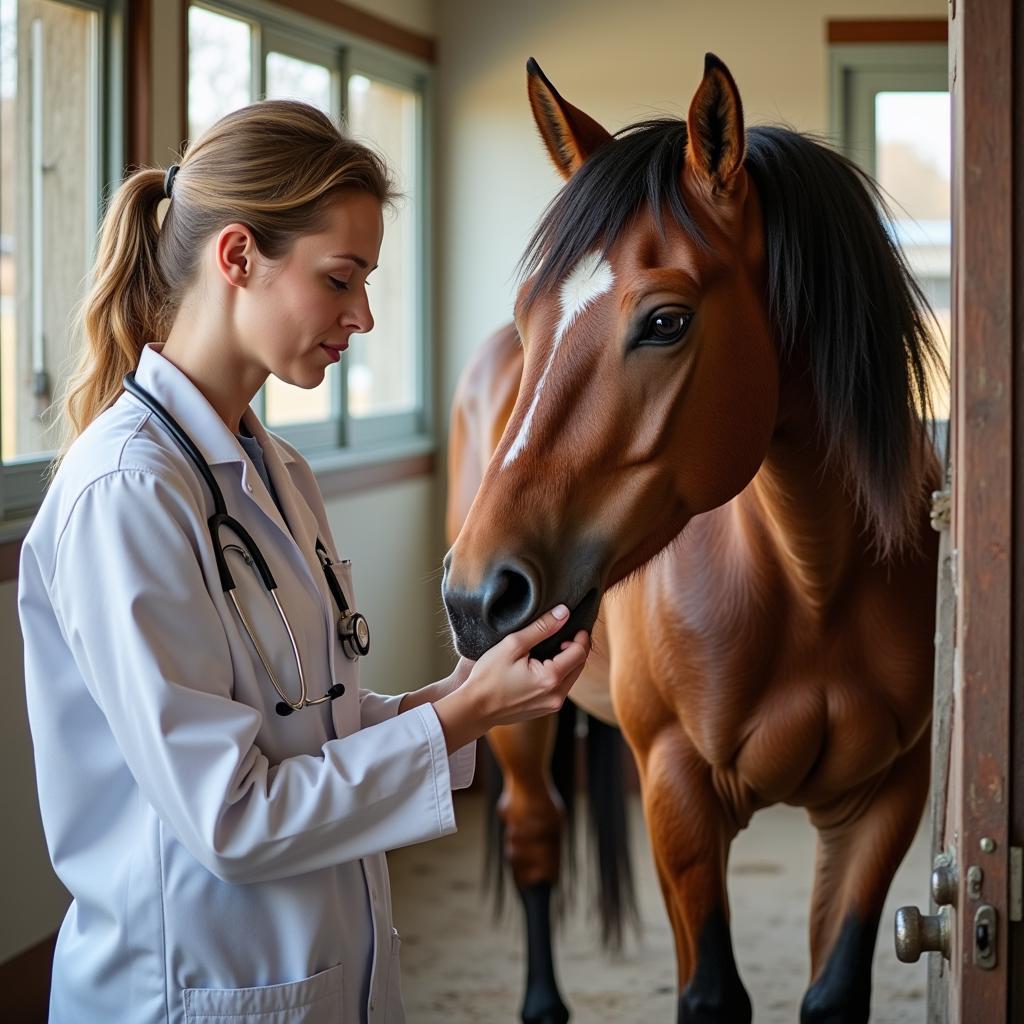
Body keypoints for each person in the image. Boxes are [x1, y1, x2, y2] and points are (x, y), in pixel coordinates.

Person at [17, 99, 591, 1024]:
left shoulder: (276, 470)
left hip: (323, 975)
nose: (363, 314)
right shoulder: (127, 491)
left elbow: (302, 720)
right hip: (192, 994)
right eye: (340, 279)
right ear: (238, 257)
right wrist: (460, 721)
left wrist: (460, 696)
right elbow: (232, 818)